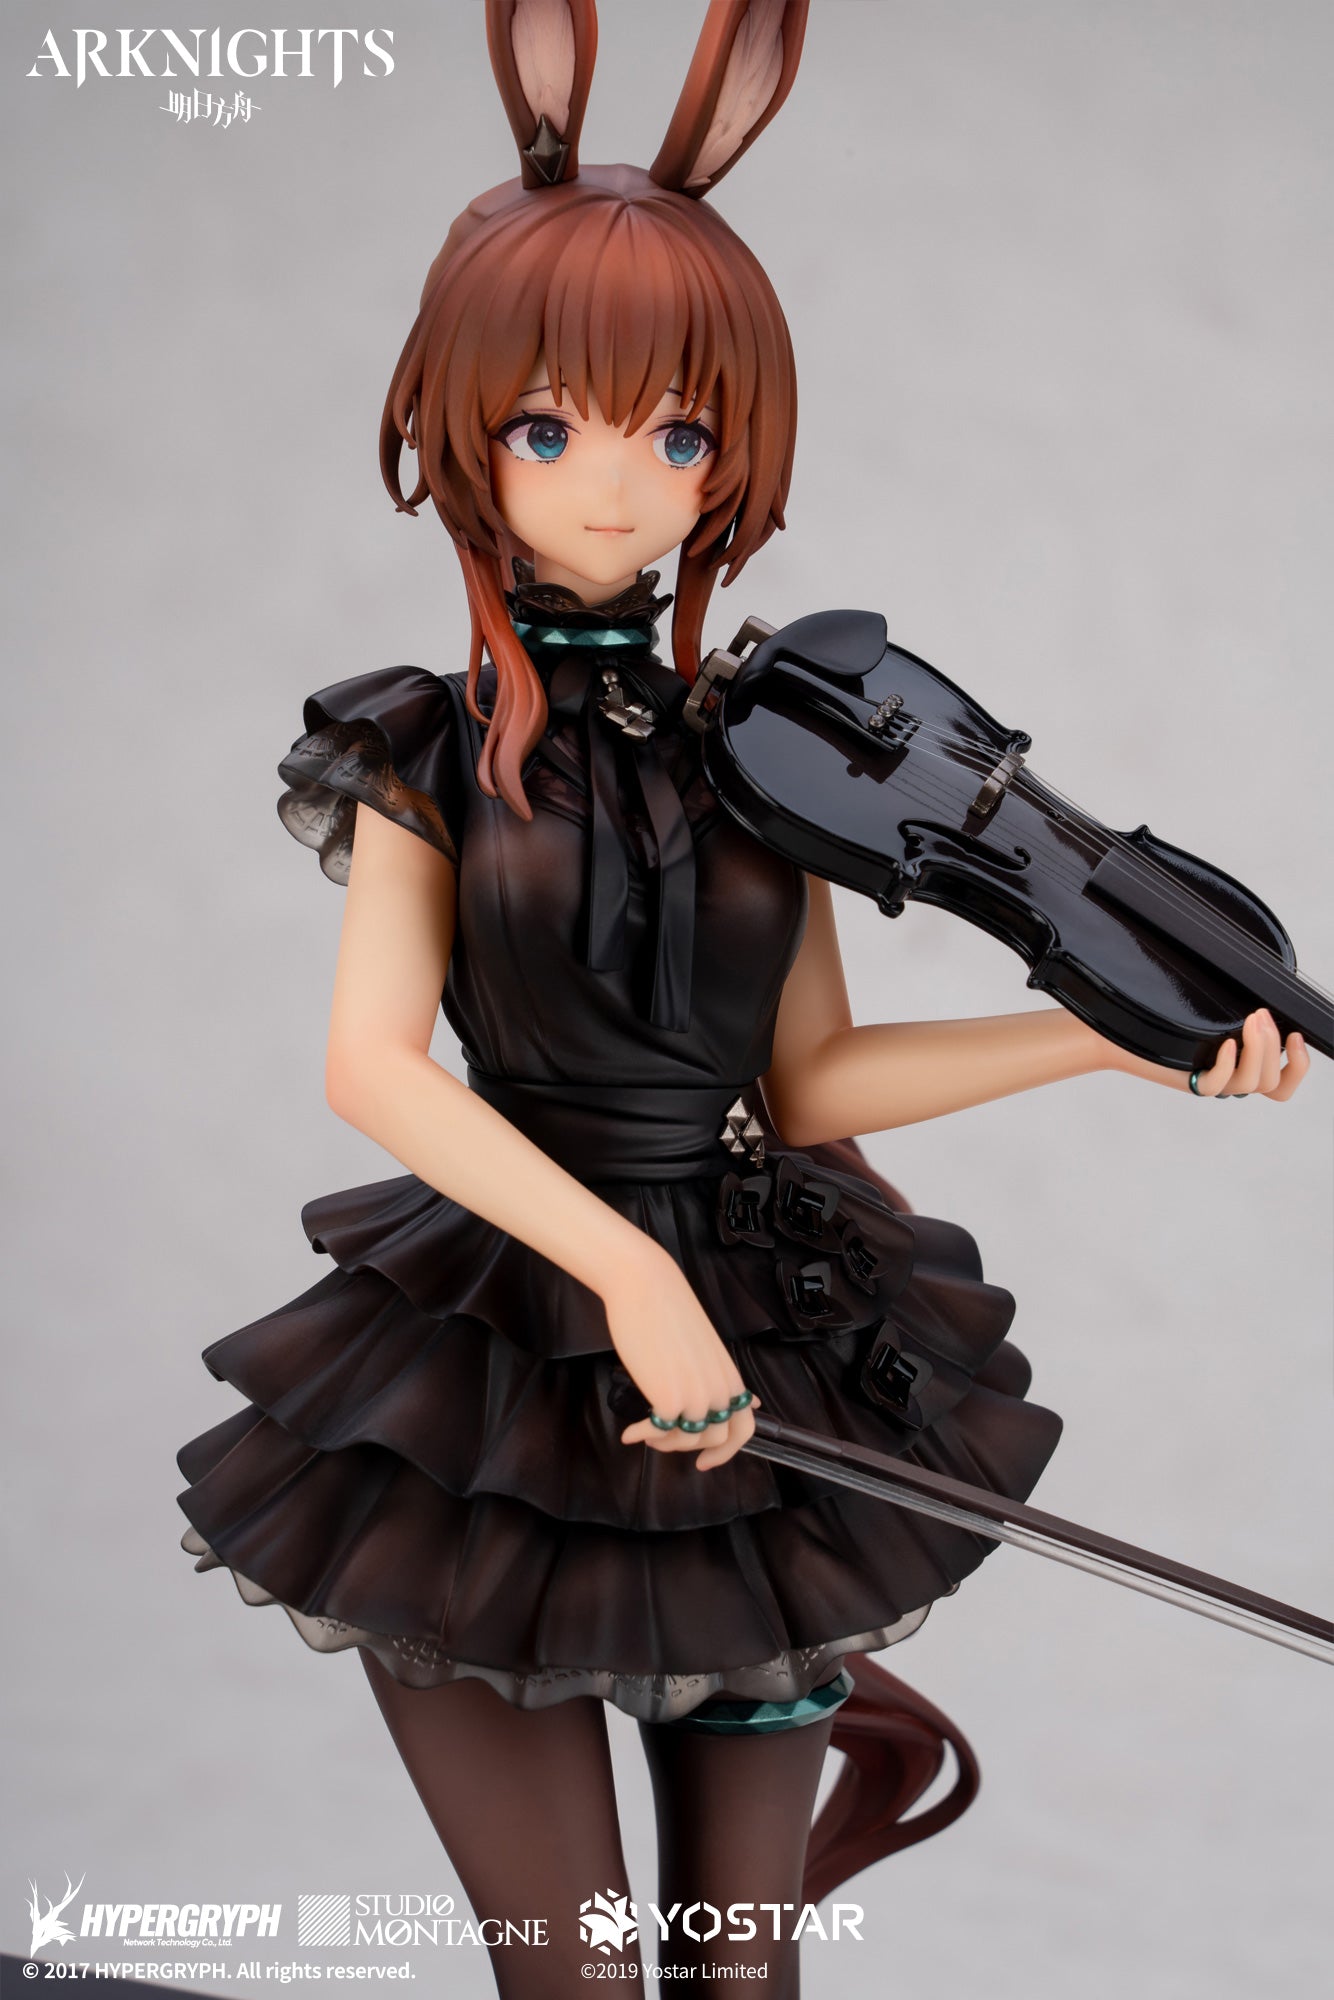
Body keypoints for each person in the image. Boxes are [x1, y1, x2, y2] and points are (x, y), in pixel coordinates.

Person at [174, 5, 1308, 1995]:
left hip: (765, 1333)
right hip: (499, 1356)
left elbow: (813, 1077)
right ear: (464, 431)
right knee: (579, 1972)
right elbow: (373, 1067)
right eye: (551, 429)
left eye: (676, 436)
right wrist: (625, 1273)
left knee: (736, 1971)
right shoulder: (425, 749)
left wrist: (1106, 1032)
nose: (617, 490)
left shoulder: (770, 758)